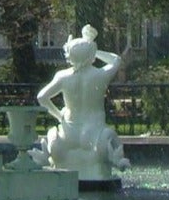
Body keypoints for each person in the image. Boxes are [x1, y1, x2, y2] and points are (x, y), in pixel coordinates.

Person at [36, 24, 131, 177]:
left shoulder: (62, 76)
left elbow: (42, 97)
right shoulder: (100, 75)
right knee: (108, 142)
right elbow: (116, 60)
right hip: (94, 133)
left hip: (67, 134)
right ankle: (117, 161)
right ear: (91, 54)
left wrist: (59, 116)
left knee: (59, 162)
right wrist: (93, 48)